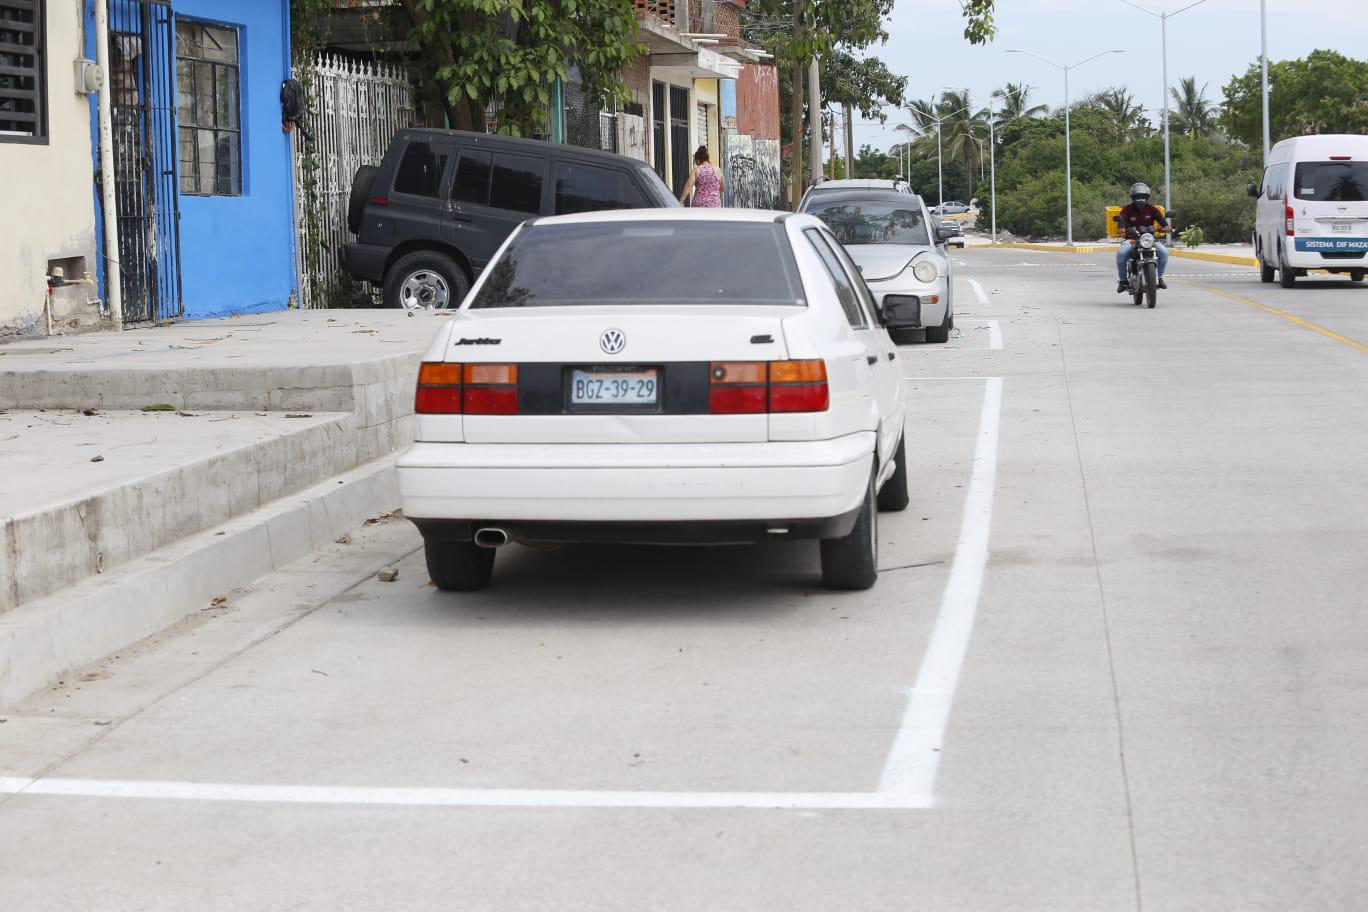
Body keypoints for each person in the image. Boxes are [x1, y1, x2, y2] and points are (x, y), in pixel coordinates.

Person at [1115, 181, 1169, 292]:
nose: (1140, 199)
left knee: (1164, 252)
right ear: (1133, 197)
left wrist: (1166, 227)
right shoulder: (1127, 209)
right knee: (1121, 254)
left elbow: (1161, 220)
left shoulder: (1152, 209)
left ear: (1147, 197)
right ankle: (1123, 281)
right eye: (1138, 196)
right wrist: (1121, 228)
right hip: (1132, 240)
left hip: (1148, 240)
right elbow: (1121, 219)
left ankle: (1159, 277)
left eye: (1143, 196)